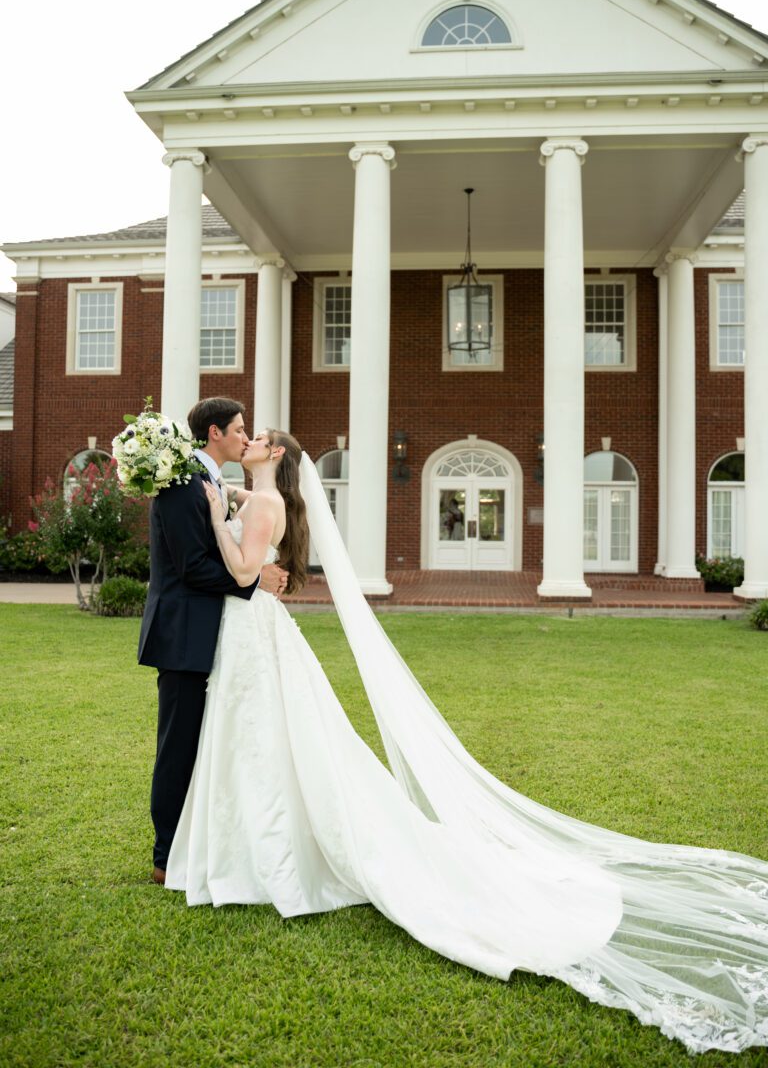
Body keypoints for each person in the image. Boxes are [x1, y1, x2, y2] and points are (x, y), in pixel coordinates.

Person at [165, 429, 768, 1055]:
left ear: (279, 457)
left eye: (259, 439)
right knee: (264, 740)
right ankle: (255, 847)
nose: (250, 439)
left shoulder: (262, 506)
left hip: (250, 626)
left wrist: (215, 517)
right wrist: (217, 493)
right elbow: (241, 512)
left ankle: (260, 857)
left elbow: (243, 571)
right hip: (251, 633)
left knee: (261, 739)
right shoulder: (258, 497)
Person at [138, 397, 287, 886]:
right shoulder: (182, 485)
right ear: (214, 434)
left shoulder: (210, 482)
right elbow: (191, 568)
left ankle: (201, 843)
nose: (247, 438)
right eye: (240, 430)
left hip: (214, 635)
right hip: (183, 635)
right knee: (177, 747)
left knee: (209, 746)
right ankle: (165, 858)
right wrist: (253, 580)